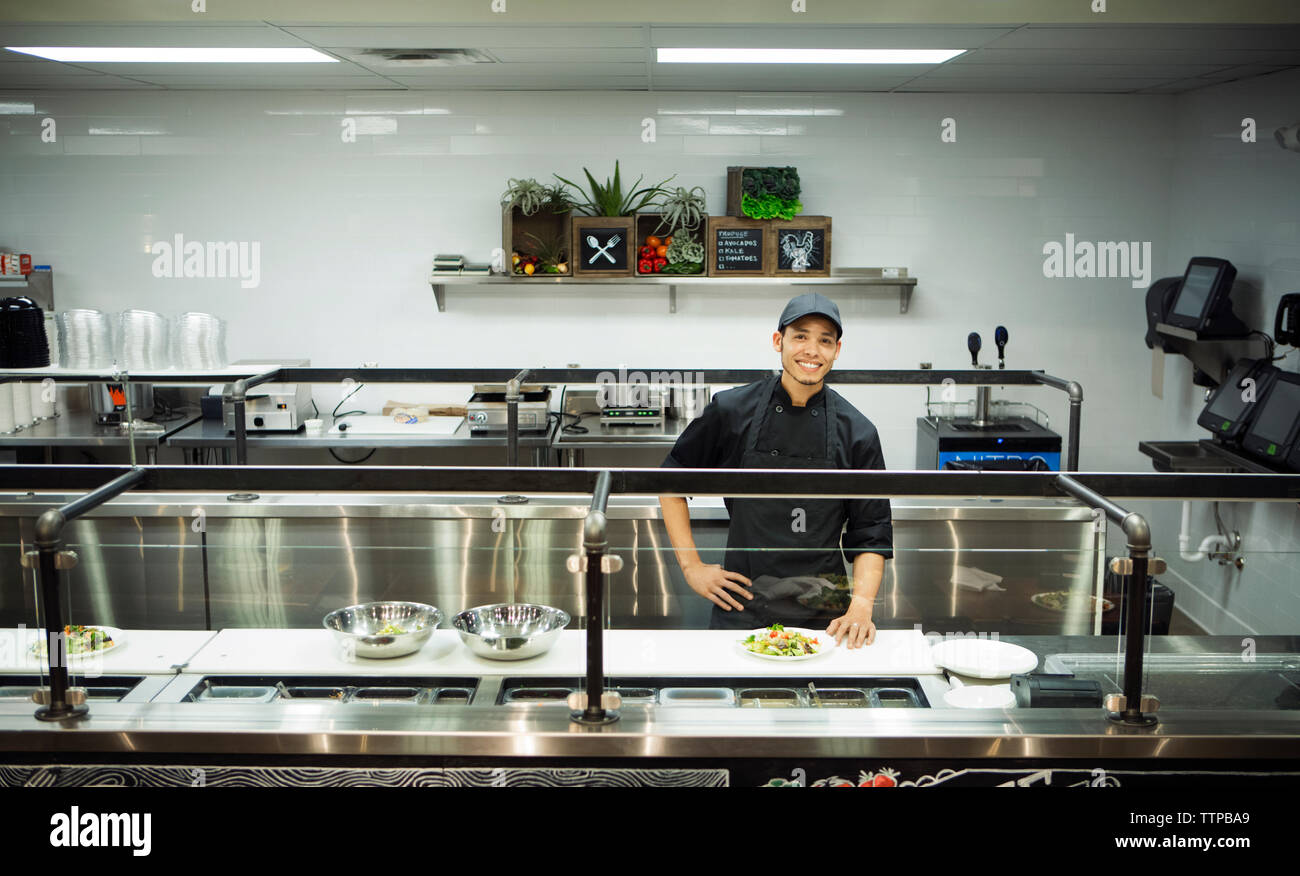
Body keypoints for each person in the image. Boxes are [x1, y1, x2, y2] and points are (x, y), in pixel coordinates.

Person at [658, 293, 893, 649]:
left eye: (825, 340)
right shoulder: (733, 410)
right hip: (742, 606)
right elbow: (670, 481)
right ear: (778, 341)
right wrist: (692, 567)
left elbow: (871, 533)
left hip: (825, 617)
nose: (812, 350)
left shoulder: (858, 431)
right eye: (801, 336)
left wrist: (861, 606)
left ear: (837, 350)